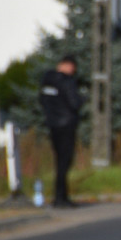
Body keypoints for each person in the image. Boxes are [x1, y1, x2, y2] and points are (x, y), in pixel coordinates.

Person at [39, 55, 84, 208]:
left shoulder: (47, 80)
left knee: (59, 161)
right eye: (72, 67)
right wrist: (81, 100)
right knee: (64, 162)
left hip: (52, 124)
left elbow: (42, 100)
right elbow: (74, 102)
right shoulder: (66, 81)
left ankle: (60, 196)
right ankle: (61, 198)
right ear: (66, 65)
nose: (74, 70)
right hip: (66, 125)